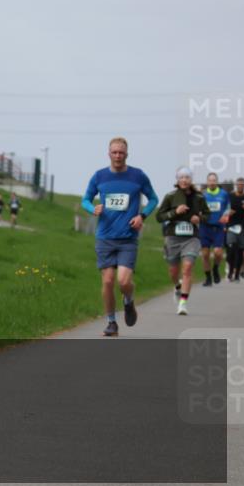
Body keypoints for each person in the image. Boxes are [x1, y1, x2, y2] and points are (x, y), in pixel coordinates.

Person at [81, 137, 159, 337]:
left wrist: (142, 216)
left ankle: (128, 300)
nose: (117, 156)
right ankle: (111, 322)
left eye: (121, 152)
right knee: (108, 282)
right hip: (105, 237)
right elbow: (85, 200)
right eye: (114, 152)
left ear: (127, 154)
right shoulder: (99, 176)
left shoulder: (138, 176)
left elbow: (153, 199)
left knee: (123, 281)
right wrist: (92, 208)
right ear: (109, 154)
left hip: (128, 238)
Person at [156, 167, 209, 315]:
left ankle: (183, 303)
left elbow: (207, 215)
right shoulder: (170, 196)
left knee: (187, 268)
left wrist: (199, 218)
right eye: (181, 177)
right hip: (173, 237)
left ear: (191, 180)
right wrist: (175, 212)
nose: (184, 180)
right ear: (177, 180)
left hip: (192, 238)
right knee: (173, 272)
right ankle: (177, 287)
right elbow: (159, 217)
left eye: (187, 177)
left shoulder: (199, 197)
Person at [199, 172, 230, 286]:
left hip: (218, 227)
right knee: (205, 254)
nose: (212, 182)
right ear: (207, 182)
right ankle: (208, 278)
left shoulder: (224, 194)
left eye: (214, 180)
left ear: (217, 182)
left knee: (218, 252)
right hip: (205, 227)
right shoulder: (202, 195)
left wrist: (225, 216)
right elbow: (197, 208)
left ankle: (216, 268)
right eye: (210, 180)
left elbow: (228, 207)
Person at [226, 177, 244, 281]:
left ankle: (237, 274)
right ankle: (230, 271)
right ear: (236, 185)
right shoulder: (230, 196)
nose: (240, 186)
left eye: (242, 184)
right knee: (231, 250)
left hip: (243, 227)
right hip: (231, 226)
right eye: (239, 184)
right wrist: (228, 213)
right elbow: (224, 210)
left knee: (240, 251)